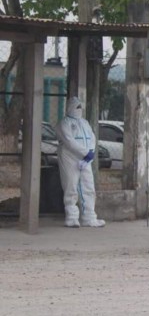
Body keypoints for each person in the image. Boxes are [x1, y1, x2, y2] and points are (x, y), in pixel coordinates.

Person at [56, 97, 105, 228]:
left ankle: (89, 217)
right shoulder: (64, 123)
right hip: (69, 157)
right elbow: (69, 141)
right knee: (70, 186)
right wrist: (85, 152)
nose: (79, 109)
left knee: (88, 187)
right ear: (69, 107)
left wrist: (89, 154)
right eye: (76, 106)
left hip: (85, 159)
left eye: (80, 106)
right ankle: (71, 217)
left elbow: (92, 138)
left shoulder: (84, 122)